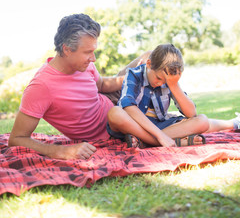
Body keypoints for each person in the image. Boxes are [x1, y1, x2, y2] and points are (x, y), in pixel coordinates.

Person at [8, 13, 150, 160]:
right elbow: (17, 138)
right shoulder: (41, 87)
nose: (93, 58)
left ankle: (172, 107)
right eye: (88, 52)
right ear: (67, 49)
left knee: (150, 57)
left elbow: (101, 85)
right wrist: (60, 151)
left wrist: (129, 79)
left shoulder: (84, 65)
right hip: (113, 125)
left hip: (111, 100)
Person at [107, 44, 240, 148]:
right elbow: (128, 107)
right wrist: (160, 136)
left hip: (159, 126)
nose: (160, 83)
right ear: (148, 64)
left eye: (165, 81)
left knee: (202, 121)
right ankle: (164, 141)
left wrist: (173, 85)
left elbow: (191, 113)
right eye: (158, 78)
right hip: (134, 125)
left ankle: (145, 142)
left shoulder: (169, 79)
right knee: (115, 113)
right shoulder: (134, 74)